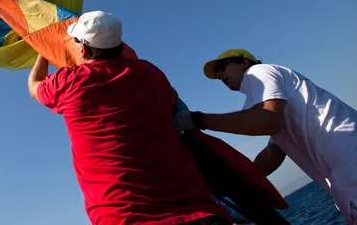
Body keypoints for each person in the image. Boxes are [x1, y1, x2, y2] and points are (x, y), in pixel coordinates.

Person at [28, 11, 231, 225]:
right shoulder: (150, 73)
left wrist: (43, 50)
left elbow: (34, 86)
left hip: (126, 216)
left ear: (84, 49)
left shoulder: (68, 82)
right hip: (199, 212)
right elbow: (172, 103)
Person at [173, 49, 357, 224]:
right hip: (342, 175)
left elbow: (267, 120)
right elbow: (272, 154)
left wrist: (196, 120)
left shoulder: (258, 72)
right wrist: (237, 182)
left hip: (349, 158)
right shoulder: (261, 102)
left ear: (244, 62)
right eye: (217, 74)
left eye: (222, 67)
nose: (220, 75)